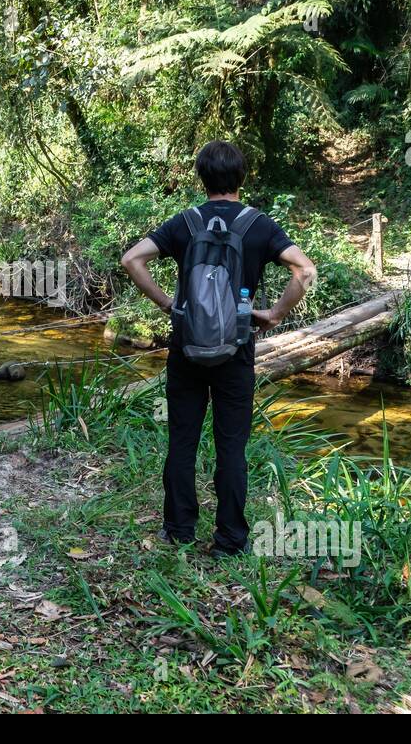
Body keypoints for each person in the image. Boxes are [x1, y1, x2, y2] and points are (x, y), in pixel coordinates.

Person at [121, 140, 316, 559]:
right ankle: (230, 539)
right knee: (231, 446)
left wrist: (169, 304)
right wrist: (276, 314)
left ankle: (178, 531)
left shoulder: (185, 223)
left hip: (186, 346)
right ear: (242, 178)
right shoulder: (258, 225)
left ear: (202, 178)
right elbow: (305, 269)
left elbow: (132, 259)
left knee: (182, 440)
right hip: (237, 350)